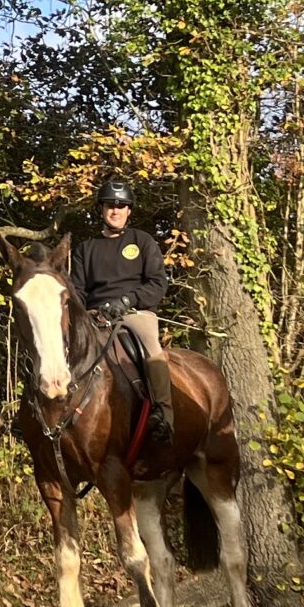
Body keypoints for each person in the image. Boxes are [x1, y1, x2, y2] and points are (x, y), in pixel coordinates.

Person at [72, 179, 175, 444]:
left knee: (151, 347)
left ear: (129, 210)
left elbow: (157, 283)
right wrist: (84, 314)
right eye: (110, 205)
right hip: (95, 317)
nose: (115, 210)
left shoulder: (142, 241)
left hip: (135, 314)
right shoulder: (85, 249)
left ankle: (164, 413)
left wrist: (128, 301)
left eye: (121, 206)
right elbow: (79, 290)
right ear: (102, 209)